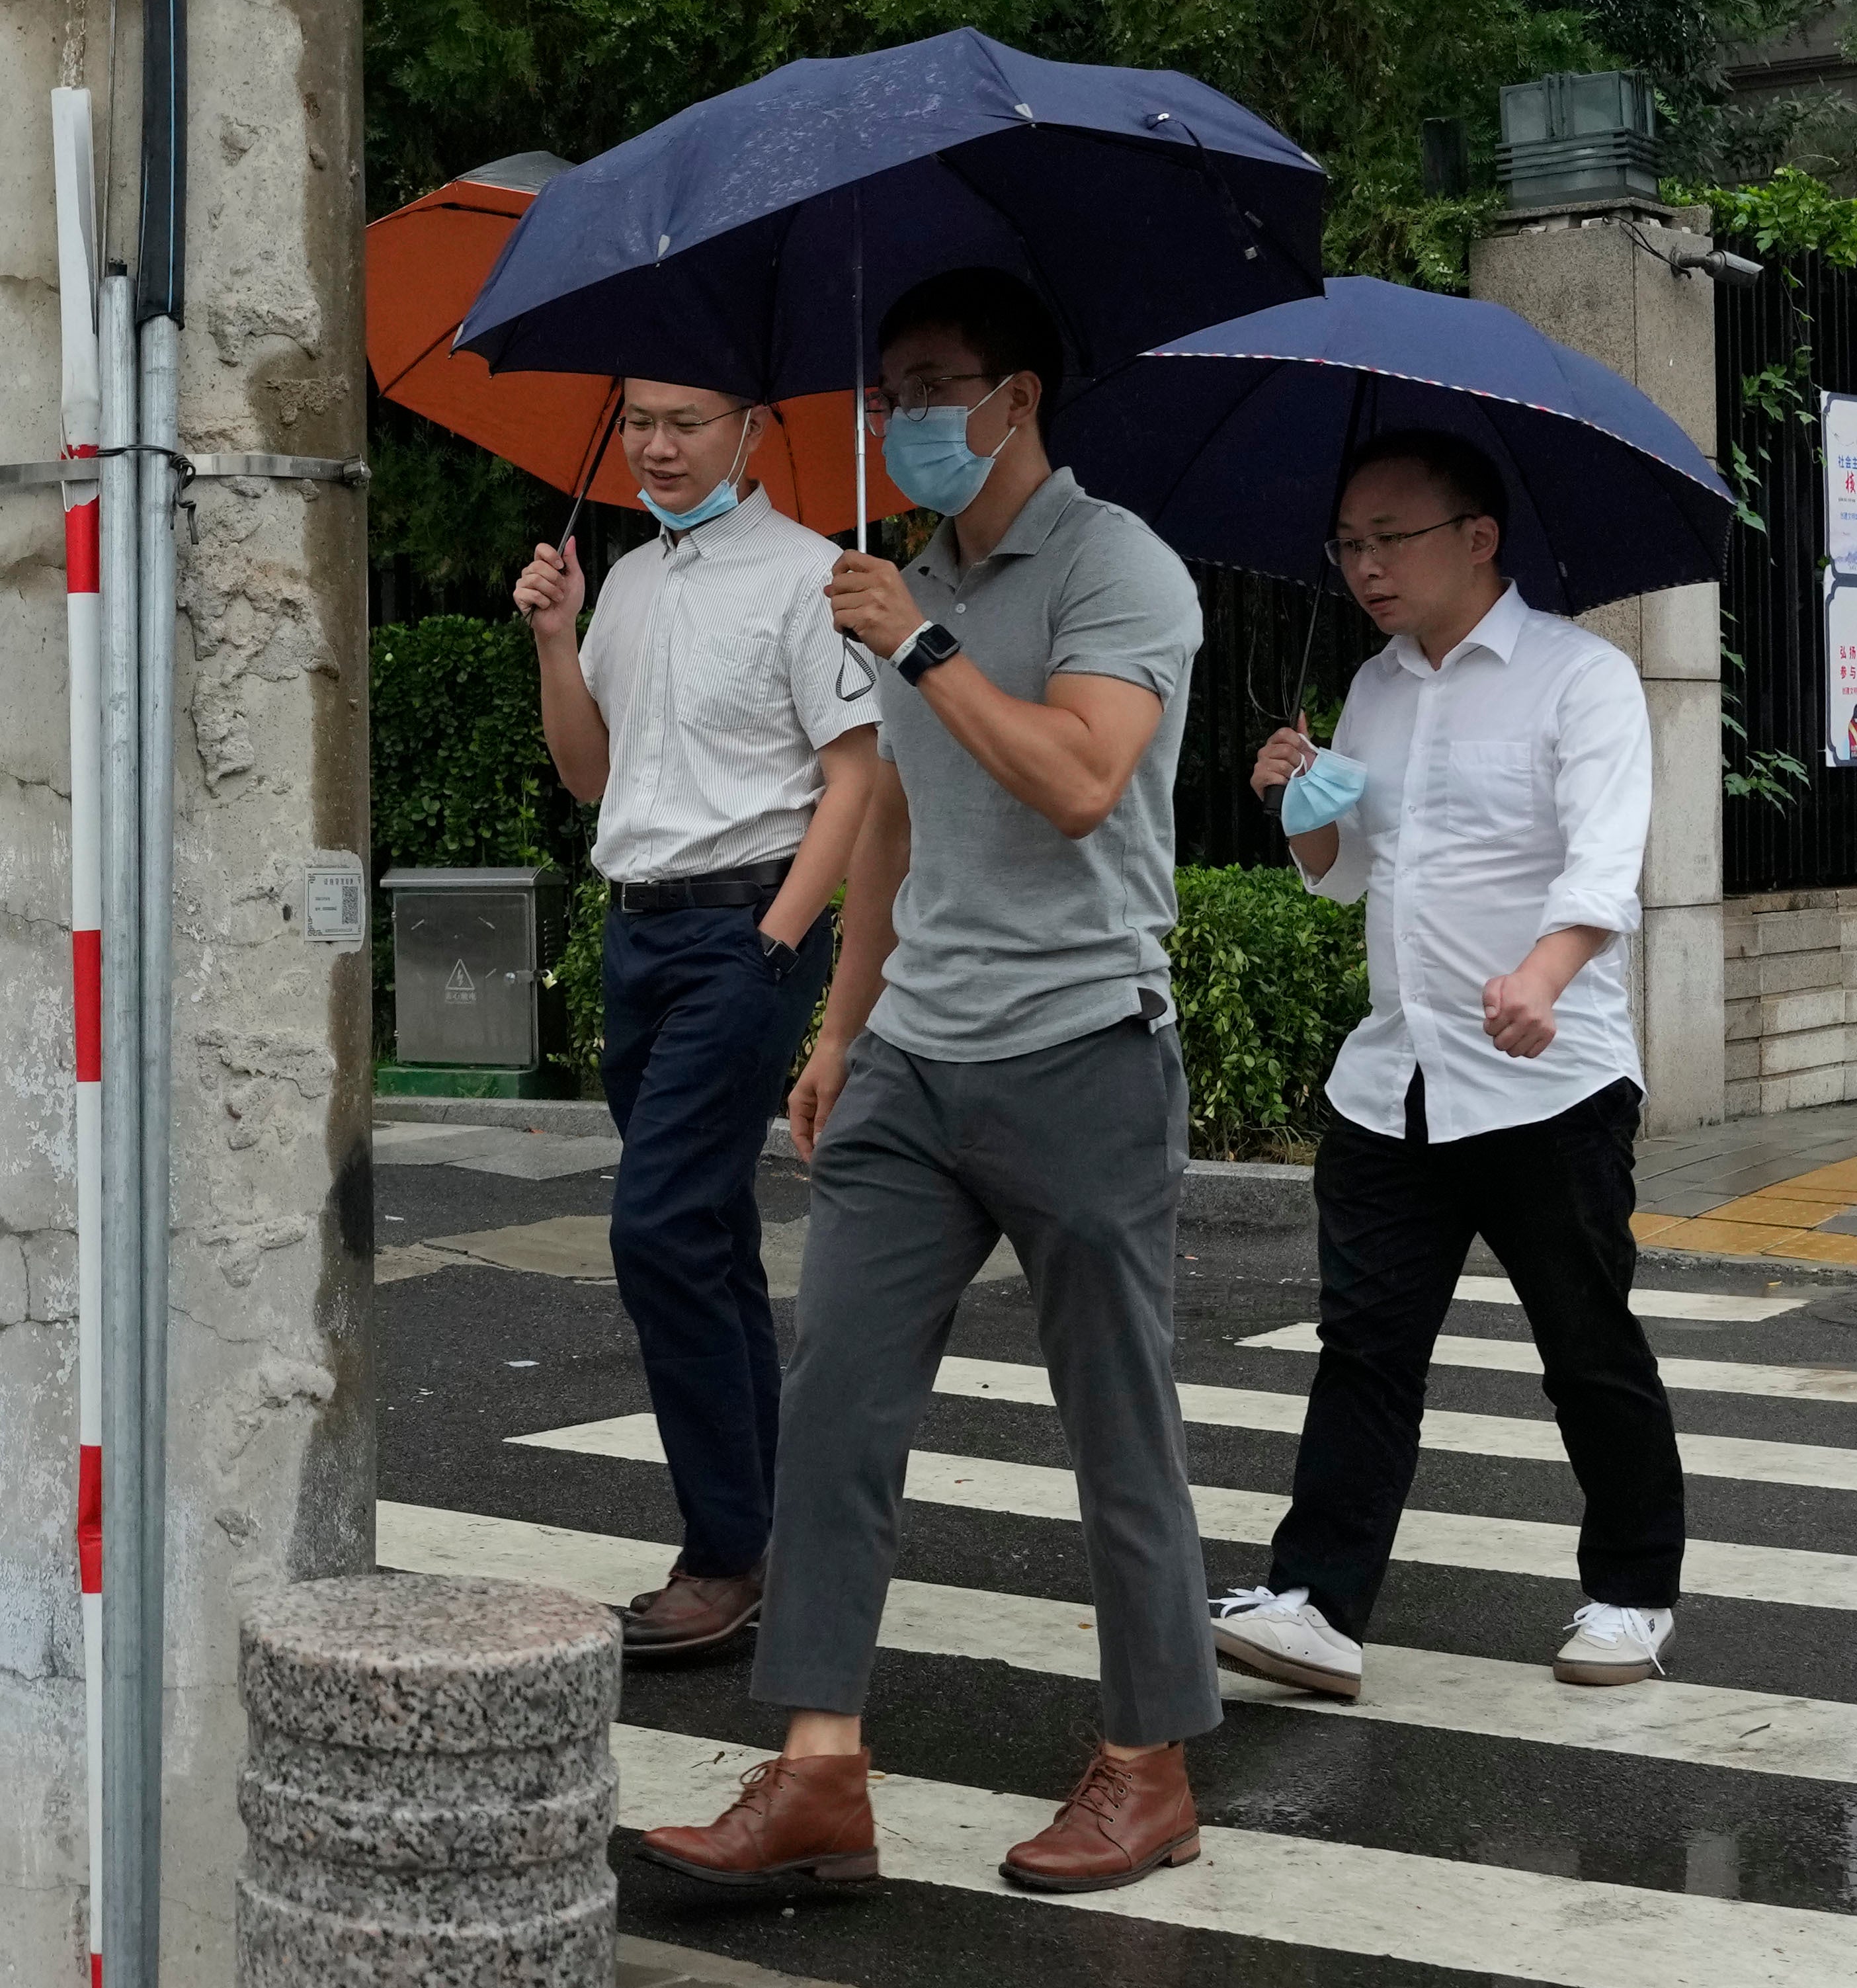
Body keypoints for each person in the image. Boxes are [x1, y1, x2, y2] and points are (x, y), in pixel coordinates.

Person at [630, 267, 1220, 1899]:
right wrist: (840, 1031)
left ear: (1016, 397)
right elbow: (889, 812)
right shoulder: (912, 573)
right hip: (914, 1057)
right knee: (832, 1404)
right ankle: (818, 1769)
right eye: (887, 389)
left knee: (1116, 1421)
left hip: (1083, 1044)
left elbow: (1077, 776)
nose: (902, 416)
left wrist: (920, 638)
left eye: (935, 383)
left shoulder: (1115, 565)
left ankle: (1148, 1764)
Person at [1212, 431, 1686, 1700]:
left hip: (1549, 1080)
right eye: (1347, 545)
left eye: (1391, 539)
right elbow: (1348, 877)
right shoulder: (1370, 689)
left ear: (1478, 538)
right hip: (1395, 1079)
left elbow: (1605, 860)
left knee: (1584, 1346)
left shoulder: (1579, 678)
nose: (1364, 567)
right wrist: (1297, 807)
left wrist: (1543, 972)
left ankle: (1631, 1593)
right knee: (1364, 1346)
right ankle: (1317, 1603)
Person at [511, 383, 882, 1663]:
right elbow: (590, 774)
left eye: (686, 421)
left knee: (657, 1227)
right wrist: (557, 635)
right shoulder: (623, 580)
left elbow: (854, 776)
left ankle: (725, 1551)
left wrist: (776, 941)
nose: (657, 446)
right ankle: (774, 1530)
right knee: (708, 1232)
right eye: (637, 422)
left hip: (742, 929)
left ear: (751, 429)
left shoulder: (805, 577)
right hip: (636, 932)